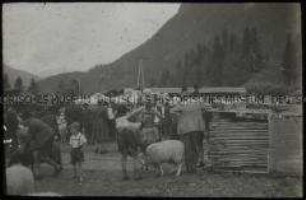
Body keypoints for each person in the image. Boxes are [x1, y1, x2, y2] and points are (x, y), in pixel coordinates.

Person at [19, 112, 62, 179]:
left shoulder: (32, 123)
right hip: (47, 137)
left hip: (45, 138)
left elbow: (30, 136)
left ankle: (39, 173)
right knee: (43, 156)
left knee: (41, 156)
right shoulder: (35, 120)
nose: (24, 122)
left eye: (24, 120)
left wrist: (24, 146)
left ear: (27, 119)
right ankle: (56, 167)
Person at [171, 100, 205, 173]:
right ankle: (194, 166)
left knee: (187, 149)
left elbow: (171, 111)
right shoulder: (199, 104)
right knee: (195, 148)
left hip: (185, 129)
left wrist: (179, 116)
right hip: (197, 128)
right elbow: (208, 108)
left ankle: (189, 167)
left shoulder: (182, 105)